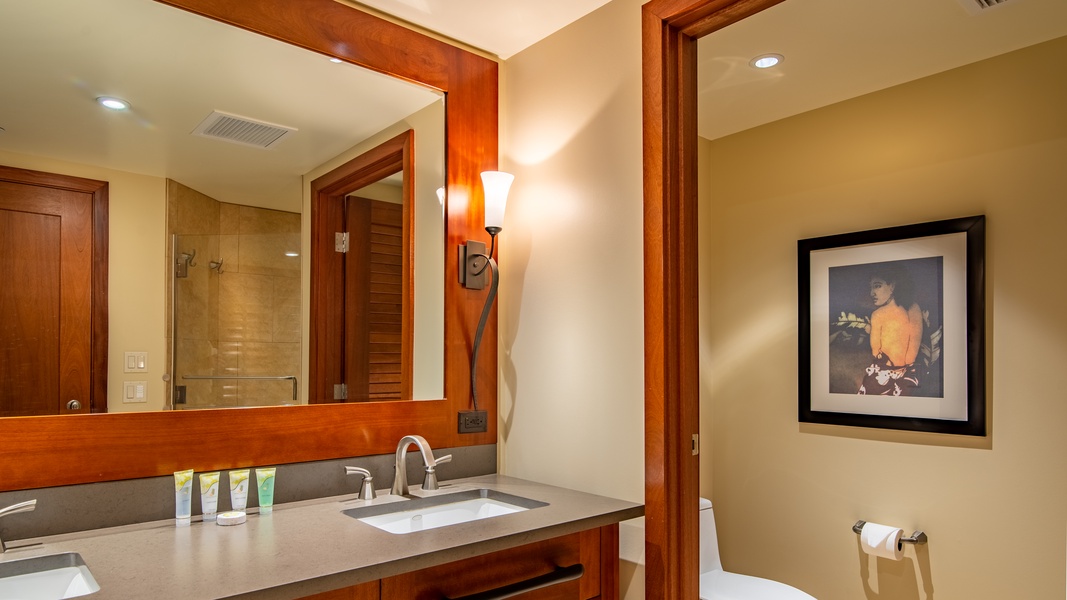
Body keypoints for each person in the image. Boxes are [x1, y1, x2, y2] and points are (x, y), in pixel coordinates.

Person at [858, 265, 924, 396]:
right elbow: (913, 348)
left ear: (892, 286)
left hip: (883, 376)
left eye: (877, 286)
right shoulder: (914, 308)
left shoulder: (877, 315)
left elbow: (876, 351)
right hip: (908, 375)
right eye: (871, 287)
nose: (872, 293)